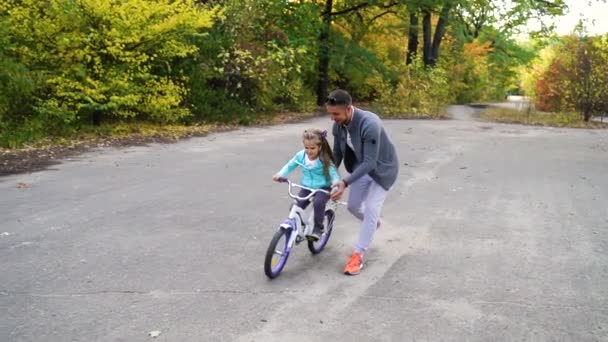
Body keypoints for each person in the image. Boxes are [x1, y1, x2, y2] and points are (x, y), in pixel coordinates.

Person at [327, 89, 399, 275]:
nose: (333, 118)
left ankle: (358, 255)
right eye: (331, 113)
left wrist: (344, 183)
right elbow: (337, 154)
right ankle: (373, 223)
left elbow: (370, 162)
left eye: (336, 114)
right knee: (352, 206)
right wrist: (327, 176)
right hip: (361, 168)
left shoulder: (370, 123)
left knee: (372, 209)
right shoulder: (339, 125)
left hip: (382, 170)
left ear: (349, 109)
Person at [273, 129, 340, 241]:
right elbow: (290, 165)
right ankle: (300, 228)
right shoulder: (301, 156)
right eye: (306, 148)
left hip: (323, 187)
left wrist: (335, 186)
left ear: (320, 147)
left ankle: (318, 228)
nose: (309, 151)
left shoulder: (324, 159)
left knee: (318, 203)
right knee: (295, 206)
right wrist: (280, 174)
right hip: (307, 186)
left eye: (312, 148)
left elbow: (334, 174)